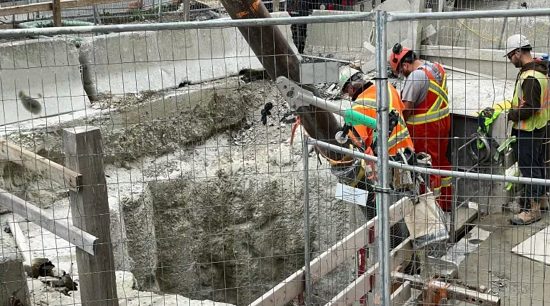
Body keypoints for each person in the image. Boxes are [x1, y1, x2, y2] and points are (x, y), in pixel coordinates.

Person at [388, 43, 453, 212]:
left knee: (427, 169)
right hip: (443, 123)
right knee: (441, 163)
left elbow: (406, 110)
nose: (403, 76)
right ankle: (445, 204)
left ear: (404, 65)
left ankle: (431, 212)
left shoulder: (415, 78)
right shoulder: (435, 67)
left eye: (401, 72)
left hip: (425, 130)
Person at [504, 34, 550, 225]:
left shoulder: (531, 76)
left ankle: (531, 210)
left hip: (529, 129)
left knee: (529, 168)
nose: (510, 60)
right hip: (539, 127)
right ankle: (541, 200)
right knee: (537, 164)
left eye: (509, 56)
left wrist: (511, 114)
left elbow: (530, 107)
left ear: (517, 53)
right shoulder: (540, 71)